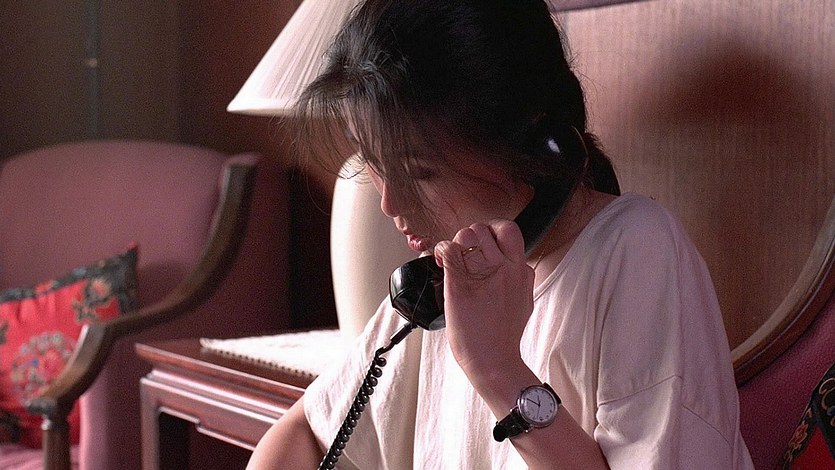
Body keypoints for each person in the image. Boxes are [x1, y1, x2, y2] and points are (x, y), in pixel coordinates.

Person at [248, 0, 754, 468]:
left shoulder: (638, 252)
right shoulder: (445, 277)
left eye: (418, 172)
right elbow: (304, 433)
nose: (390, 204)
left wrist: (495, 368)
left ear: (531, 140)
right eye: (375, 166)